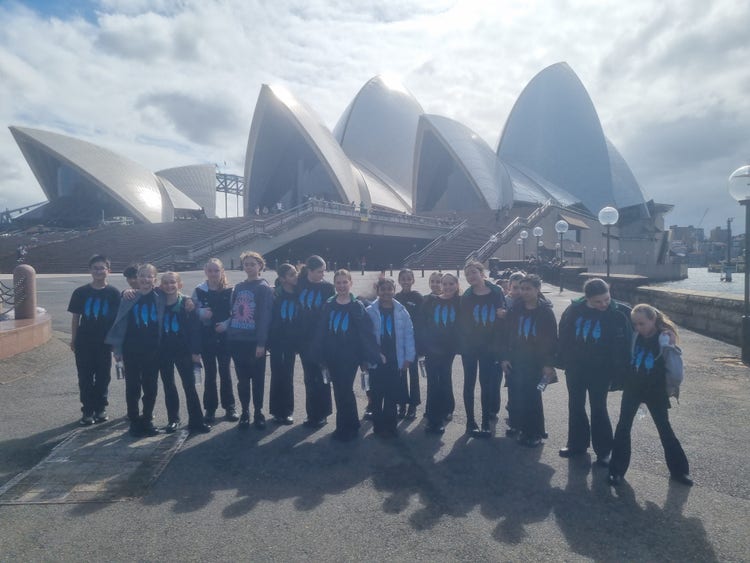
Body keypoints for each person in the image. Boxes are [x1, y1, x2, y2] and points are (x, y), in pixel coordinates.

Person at [608, 304, 692, 487]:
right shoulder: (635, 336)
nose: (638, 327)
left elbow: (676, 370)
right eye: (635, 324)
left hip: (655, 390)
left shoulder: (664, 339)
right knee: (623, 427)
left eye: (642, 323)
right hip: (633, 387)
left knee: (664, 429)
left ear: (653, 320)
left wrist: (671, 388)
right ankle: (616, 470)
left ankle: (680, 471)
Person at [557, 278, 632, 465]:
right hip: (576, 367)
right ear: (587, 298)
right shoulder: (574, 310)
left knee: (598, 407)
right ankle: (576, 445)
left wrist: (667, 332)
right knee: (575, 405)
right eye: (598, 301)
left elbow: (649, 319)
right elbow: (564, 335)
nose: (604, 304)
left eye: (606, 299)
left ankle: (604, 450)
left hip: (602, 369)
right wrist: (564, 360)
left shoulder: (619, 312)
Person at [312, 269, 378, 441]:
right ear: (335, 285)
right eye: (338, 283)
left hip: (350, 356)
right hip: (332, 354)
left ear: (350, 283)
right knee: (339, 390)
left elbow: (366, 332)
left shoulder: (357, 306)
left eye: (344, 282)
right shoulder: (329, 304)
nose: (341, 286)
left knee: (345, 389)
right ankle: (350, 424)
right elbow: (321, 330)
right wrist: (319, 354)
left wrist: (366, 357)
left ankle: (345, 426)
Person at [106, 264, 164, 437]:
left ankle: (147, 419)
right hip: (131, 349)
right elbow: (120, 323)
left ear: (155, 279)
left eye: (149, 276)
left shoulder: (160, 296)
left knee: (150, 385)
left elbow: (178, 295)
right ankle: (133, 419)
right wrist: (117, 349)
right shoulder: (129, 297)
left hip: (153, 349)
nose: (145, 280)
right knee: (132, 386)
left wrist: (190, 301)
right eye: (142, 276)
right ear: (136, 278)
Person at [219, 251, 274, 430]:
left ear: (260, 266)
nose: (249, 267)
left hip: (253, 342)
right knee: (242, 380)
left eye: (252, 264)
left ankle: (258, 412)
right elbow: (233, 311)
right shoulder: (239, 287)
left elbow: (265, 316)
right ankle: (245, 412)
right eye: (246, 264)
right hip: (237, 340)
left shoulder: (263, 288)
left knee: (257, 380)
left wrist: (261, 343)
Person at [501, 275, 557, 447]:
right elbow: (506, 334)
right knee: (518, 395)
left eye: (528, 289)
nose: (524, 292)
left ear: (537, 289)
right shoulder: (516, 309)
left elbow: (552, 340)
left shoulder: (545, 312)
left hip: (536, 362)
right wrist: (504, 357)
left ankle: (535, 432)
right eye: (522, 288)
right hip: (517, 359)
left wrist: (548, 364)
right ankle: (521, 427)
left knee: (533, 397)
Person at [67, 254, 121, 425]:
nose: (99, 271)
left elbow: (118, 320)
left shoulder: (113, 293)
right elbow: (76, 318)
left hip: (105, 343)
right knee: (85, 377)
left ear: (108, 271)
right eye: (95, 268)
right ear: (90, 270)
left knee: (103, 376)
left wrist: (116, 343)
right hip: (85, 341)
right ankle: (87, 410)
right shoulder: (81, 292)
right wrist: (74, 339)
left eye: (102, 268)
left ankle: (101, 408)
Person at [158, 272, 211, 434]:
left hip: (183, 350)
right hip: (163, 350)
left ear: (179, 285)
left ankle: (196, 420)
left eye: (172, 282)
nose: (169, 286)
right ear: (161, 286)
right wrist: (126, 291)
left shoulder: (187, 305)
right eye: (165, 283)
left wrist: (196, 351)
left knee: (189, 385)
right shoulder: (157, 301)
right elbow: (142, 289)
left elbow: (195, 330)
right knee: (169, 385)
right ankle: (173, 419)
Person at [460, 261, 506, 437]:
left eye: (473, 272)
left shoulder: (496, 291)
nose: (471, 277)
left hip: (489, 346)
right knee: (469, 383)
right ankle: (470, 421)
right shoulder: (467, 296)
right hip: (470, 347)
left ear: (482, 273)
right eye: (467, 275)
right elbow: (463, 323)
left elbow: (503, 315)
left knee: (486, 384)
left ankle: (486, 420)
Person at [366, 278, 416, 438]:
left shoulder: (402, 311)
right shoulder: (370, 311)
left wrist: (409, 357)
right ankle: (378, 425)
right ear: (378, 291)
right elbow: (366, 337)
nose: (386, 292)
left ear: (394, 290)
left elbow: (409, 334)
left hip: (395, 359)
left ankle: (391, 425)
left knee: (391, 394)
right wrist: (368, 357)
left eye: (389, 289)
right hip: (377, 359)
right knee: (376, 393)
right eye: (383, 289)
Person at [192, 258, 238, 423]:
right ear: (206, 272)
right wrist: (200, 313)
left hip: (225, 338)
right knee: (210, 374)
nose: (213, 274)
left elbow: (237, 312)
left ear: (222, 271)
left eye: (216, 270)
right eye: (210, 271)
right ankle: (210, 408)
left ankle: (229, 406)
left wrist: (227, 324)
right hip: (207, 338)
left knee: (225, 372)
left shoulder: (230, 290)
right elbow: (191, 311)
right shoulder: (199, 291)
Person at [417, 273, 460, 434]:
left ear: (456, 285)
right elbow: (422, 324)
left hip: (448, 349)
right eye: (445, 284)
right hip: (431, 348)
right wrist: (422, 347)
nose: (447, 287)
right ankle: (434, 418)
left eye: (451, 284)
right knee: (433, 382)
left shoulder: (460, 302)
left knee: (444, 378)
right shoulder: (430, 301)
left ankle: (445, 409)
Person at [296, 255, 335, 428]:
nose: (323, 274)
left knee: (322, 377)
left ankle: (323, 413)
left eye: (324, 270)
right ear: (309, 271)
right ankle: (312, 413)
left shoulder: (328, 288)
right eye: (320, 271)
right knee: (309, 378)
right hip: (304, 340)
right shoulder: (300, 283)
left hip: (322, 340)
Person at [268, 263, 300, 425]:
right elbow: (268, 318)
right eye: (291, 275)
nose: (295, 276)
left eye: (295, 273)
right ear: (282, 279)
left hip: (291, 341)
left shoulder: (298, 293)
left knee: (288, 375)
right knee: (277, 375)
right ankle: (276, 411)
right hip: (276, 340)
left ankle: (287, 411)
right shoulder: (275, 294)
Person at [394, 268, 423, 419]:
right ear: (399, 281)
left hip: (413, 341)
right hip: (399, 342)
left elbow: (422, 319)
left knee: (413, 373)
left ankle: (413, 404)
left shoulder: (417, 297)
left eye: (408, 278)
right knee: (401, 373)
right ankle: (402, 403)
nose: (405, 281)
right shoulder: (396, 297)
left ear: (413, 280)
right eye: (403, 279)